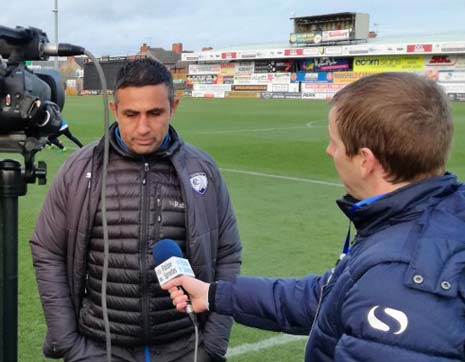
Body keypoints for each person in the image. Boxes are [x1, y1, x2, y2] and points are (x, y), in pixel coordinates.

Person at [163, 72, 465, 361]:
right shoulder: (430, 215)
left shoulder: (399, 278)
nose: (329, 151)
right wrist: (214, 294)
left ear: (365, 161)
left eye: (335, 141)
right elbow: (323, 298)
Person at [30, 57, 242, 362]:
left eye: (155, 113)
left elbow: (228, 252)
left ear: (174, 107)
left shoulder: (202, 170)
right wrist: (69, 344)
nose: (143, 127)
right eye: (131, 114)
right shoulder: (79, 170)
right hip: (98, 348)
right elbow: (47, 250)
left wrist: (212, 344)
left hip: (186, 347)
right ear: (115, 110)